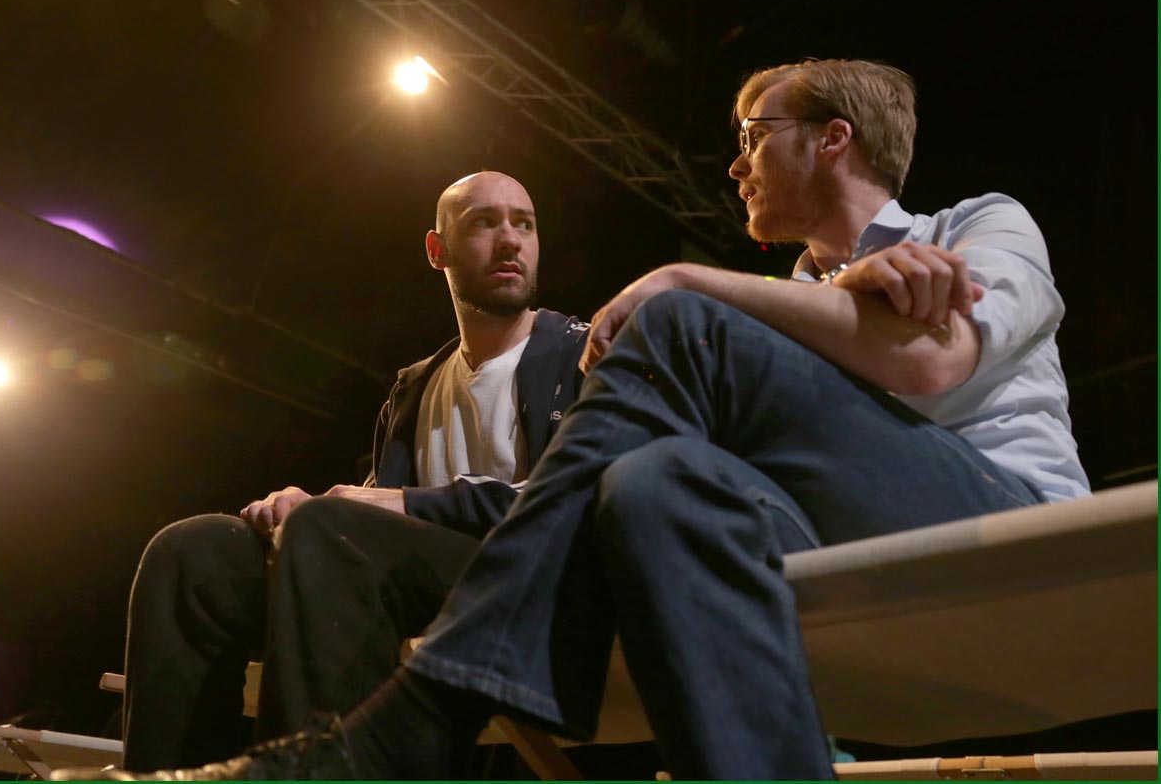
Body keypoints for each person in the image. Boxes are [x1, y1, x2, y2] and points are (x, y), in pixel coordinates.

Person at [65, 59, 1089, 781]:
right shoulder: (790, 301)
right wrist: (832, 293)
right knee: (650, 483)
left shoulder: (976, 223)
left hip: (998, 518)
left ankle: (419, 714)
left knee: (684, 321)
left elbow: (934, 358)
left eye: (751, 135)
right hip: (815, 538)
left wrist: (692, 279)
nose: (735, 164)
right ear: (438, 250)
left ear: (833, 138)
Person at [116, 171, 588, 772]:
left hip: (534, 591)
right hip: (419, 588)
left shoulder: (583, 352)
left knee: (331, 530)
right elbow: (372, 512)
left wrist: (395, 506)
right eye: (484, 222)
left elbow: (580, 498)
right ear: (437, 250)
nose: (510, 240)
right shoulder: (416, 387)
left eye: (524, 224)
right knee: (194, 553)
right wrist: (305, 506)